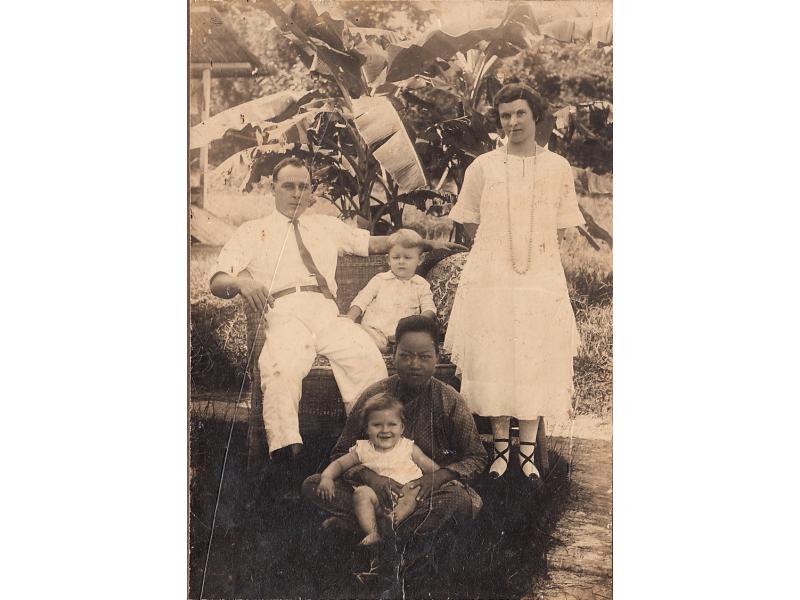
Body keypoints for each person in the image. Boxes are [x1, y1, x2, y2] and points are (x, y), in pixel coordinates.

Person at [209, 157, 463, 461]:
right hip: (284, 310)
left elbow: (379, 244)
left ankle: (373, 451)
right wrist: (241, 283)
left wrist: (427, 245)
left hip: (327, 312)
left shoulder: (326, 226)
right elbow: (217, 278)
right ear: (272, 189)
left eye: (303, 187)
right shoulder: (253, 231)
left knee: (364, 356)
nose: (296, 194)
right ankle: (285, 453)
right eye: (288, 186)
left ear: (311, 192)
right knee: (280, 366)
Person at [444, 83, 586, 480]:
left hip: (540, 275)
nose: (513, 122)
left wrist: (533, 261)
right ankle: (501, 450)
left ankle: (527, 452)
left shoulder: (557, 167)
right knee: (497, 355)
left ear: (535, 115)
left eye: (520, 113)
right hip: (491, 276)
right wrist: (494, 252)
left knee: (532, 356)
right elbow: (468, 216)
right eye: (505, 115)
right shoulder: (484, 166)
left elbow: (560, 226)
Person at [302, 315, 488, 588]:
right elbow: (341, 452)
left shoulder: (449, 399)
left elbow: (476, 456)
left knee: (459, 499)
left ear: (437, 357)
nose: (414, 364)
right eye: (406, 355)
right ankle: (402, 544)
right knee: (313, 484)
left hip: (423, 493)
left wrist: (435, 478)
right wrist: (370, 477)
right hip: (373, 491)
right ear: (393, 355)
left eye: (424, 357)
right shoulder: (375, 395)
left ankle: (378, 546)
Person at [316, 392, 439, 546]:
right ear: (367, 429)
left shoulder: (407, 446)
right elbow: (340, 464)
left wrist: (445, 477)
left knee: (414, 489)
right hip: (377, 502)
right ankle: (373, 532)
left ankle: (394, 521)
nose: (384, 430)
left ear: (402, 428)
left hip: (405, 496)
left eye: (392, 424)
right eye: (377, 425)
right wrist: (326, 477)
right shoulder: (363, 449)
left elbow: (427, 464)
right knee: (361, 493)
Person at [346, 228, 436, 352]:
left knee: (416, 339)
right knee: (355, 333)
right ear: (388, 260)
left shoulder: (421, 285)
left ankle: (396, 347)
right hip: (374, 331)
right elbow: (362, 299)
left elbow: (429, 309)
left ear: (420, 260)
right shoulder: (380, 280)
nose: (401, 262)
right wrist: (350, 317)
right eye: (396, 257)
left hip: (403, 333)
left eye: (408, 258)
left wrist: (416, 324)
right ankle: (378, 347)